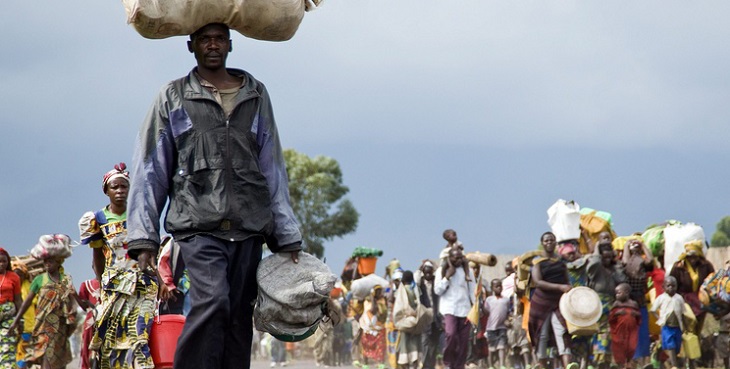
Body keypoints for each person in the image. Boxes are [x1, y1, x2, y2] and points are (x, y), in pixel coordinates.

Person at [125, 22, 302, 369]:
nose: (212, 45)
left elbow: (272, 166)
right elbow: (151, 167)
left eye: (219, 39)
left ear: (230, 45)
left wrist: (287, 234)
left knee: (238, 314)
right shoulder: (173, 97)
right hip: (198, 225)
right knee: (214, 302)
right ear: (191, 46)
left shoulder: (255, 93)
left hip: (248, 225)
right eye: (204, 39)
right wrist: (143, 237)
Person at [78, 163, 157, 369]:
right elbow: (98, 257)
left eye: (124, 186)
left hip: (142, 285)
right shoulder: (98, 220)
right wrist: (102, 285)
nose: (120, 191)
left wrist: (161, 280)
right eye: (115, 187)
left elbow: (149, 252)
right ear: (106, 191)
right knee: (111, 338)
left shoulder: (139, 215)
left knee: (139, 334)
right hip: (114, 287)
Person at [10, 242, 89, 369]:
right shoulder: (39, 280)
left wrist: (79, 307)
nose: (47, 264)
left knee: (60, 355)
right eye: (45, 262)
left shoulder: (65, 279)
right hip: (43, 324)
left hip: (61, 324)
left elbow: (74, 298)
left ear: (58, 263)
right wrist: (17, 320)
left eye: (50, 262)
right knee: (45, 352)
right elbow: (27, 302)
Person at [528, 232, 577, 369]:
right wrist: (560, 287)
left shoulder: (561, 261)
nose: (549, 242)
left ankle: (568, 365)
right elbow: (538, 282)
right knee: (541, 334)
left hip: (558, 301)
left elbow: (566, 279)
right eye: (546, 240)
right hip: (542, 301)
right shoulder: (538, 262)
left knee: (562, 330)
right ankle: (541, 364)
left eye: (552, 240)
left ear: (556, 243)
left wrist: (568, 290)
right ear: (542, 243)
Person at [586, 241, 626, 369]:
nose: (607, 259)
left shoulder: (614, 269)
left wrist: (617, 263)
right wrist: (597, 248)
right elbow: (594, 264)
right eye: (605, 256)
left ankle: (607, 360)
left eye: (610, 256)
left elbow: (622, 280)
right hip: (597, 304)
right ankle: (598, 359)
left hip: (612, 304)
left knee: (612, 333)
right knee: (599, 332)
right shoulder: (596, 269)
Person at [434, 247, 476, 369]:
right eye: (455, 258)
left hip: (465, 309)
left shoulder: (468, 272)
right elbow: (437, 290)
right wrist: (447, 277)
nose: (458, 260)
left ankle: (459, 365)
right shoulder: (441, 270)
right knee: (451, 335)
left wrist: (476, 306)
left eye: (460, 257)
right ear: (449, 258)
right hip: (449, 309)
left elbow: (472, 290)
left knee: (463, 341)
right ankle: (448, 363)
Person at [669, 239, 714, 335]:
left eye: (695, 257)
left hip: (701, 299)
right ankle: (688, 347)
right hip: (684, 300)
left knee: (698, 327)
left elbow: (713, 280)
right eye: (690, 257)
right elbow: (672, 282)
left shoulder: (705, 266)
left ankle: (696, 346)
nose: (692, 260)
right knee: (689, 325)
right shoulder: (679, 267)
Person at [621, 238, 653, 364]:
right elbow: (625, 261)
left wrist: (643, 245)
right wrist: (626, 246)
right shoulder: (626, 261)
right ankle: (630, 361)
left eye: (636, 246)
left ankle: (642, 361)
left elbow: (650, 260)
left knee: (642, 331)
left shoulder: (643, 263)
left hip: (640, 300)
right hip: (628, 301)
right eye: (632, 246)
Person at [649, 276, 685, 369]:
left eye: (673, 286)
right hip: (667, 327)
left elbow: (683, 313)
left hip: (677, 327)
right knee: (671, 345)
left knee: (676, 347)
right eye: (668, 286)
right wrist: (660, 319)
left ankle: (666, 360)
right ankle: (674, 366)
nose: (671, 288)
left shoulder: (679, 298)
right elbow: (652, 310)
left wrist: (685, 326)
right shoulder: (661, 298)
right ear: (663, 287)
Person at [609, 283, 641, 369]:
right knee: (619, 346)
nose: (616, 295)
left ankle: (629, 362)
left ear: (627, 292)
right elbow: (611, 317)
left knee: (631, 346)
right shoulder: (616, 304)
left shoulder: (634, 304)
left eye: (619, 293)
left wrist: (636, 314)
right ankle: (620, 365)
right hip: (620, 330)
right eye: (616, 293)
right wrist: (617, 313)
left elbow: (639, 317)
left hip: (631, 330)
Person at [417, 260, 442, 369]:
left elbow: (440, 271)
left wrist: (433, 263)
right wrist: (421, 266)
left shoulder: (436, 282)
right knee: (425, 340)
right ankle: (424, 363)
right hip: (425, 315)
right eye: (426, 272)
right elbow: (416, 276)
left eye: (430, 272)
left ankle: (430, 364)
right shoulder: (420, 283)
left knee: (434, 341)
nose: (428, 275)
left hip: (436, 315)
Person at [11, 261, 35, 369]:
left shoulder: (30, 287)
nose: (17, 277)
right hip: (11, 327)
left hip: (28, 327)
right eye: (15, 274)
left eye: (20, 274)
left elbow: (36, 304)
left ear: (24, 275)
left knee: (24, 354)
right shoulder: (8, 286)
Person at [393, 271, 419, 369]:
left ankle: (405, 365)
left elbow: (399, 306)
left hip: (404, 321)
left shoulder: (402, 291)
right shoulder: (414, 290)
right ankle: (415, 363)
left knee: (404, 345)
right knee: (413, 344)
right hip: (414, 320)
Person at [0, 248, 21, 369]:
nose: (2, 264)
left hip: (8, 317)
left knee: (7, 350)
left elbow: (18, 300)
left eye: (4, 261)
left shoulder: (14, 277)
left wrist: (18, 321)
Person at [359, 285, 388, 369]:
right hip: (368, 327)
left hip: (379, 326)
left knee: (380, 345)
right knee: (366, 345)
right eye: (377, 291)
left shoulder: (382, 300)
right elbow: (372, 310)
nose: (379, 293)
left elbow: (383, 312)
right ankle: (365, 363)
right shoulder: (368, 301)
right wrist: (372, 299)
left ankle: (381, 363)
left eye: (380, 291)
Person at [484, 279, 510, 369]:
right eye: (496, 286)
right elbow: (486, 312)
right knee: (491, 348)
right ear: (492, 288)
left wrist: (507, 320)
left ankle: (502, 365)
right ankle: (491, 365)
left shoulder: (506, 300)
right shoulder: (489, 299)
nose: (499, 288)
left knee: (501, 346)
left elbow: (508, 313)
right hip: (491, 327)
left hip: (502, 327)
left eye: (500, 286)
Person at [77, 272, 100, 369]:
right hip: (91, 323)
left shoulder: (113, 283)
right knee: (89, 352)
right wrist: (74, 294)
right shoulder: (87, 285)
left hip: (107, 321)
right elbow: (84, 306)